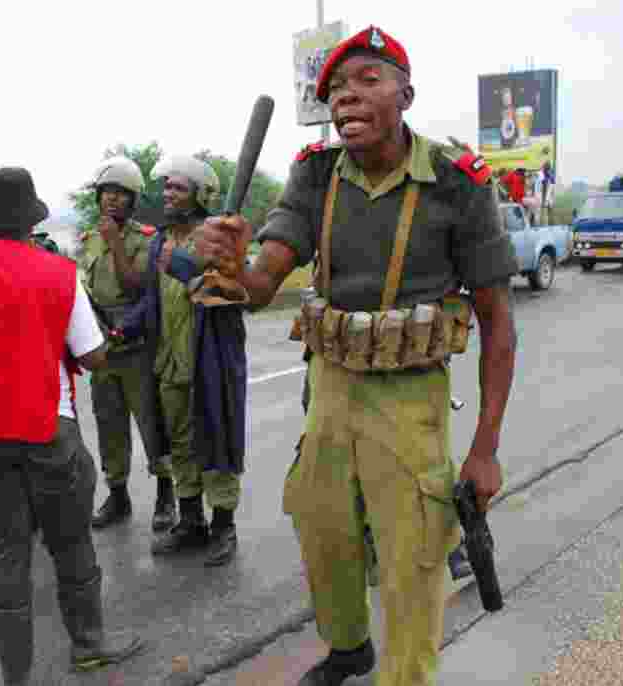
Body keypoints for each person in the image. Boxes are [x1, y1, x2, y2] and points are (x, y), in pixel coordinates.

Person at [196, 25, 518, 685]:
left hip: (410, 399)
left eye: (366, 80)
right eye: (335, 90)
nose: (346, 97)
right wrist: (234, 265)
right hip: (333, 389)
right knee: (320, 525)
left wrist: (484, 448)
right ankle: (348, 648)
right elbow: (259, 287)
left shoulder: (456, 181)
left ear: (405, 92)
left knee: (411, 556)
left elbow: (498, 324)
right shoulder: (315, 175)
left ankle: (406, 676)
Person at [0, 168, 141, 684]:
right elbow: (95, 355)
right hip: (50, 431)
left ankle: (16, 671)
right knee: (72, 545)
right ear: (31, 220)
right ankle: (88, 646)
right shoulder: (58, 274)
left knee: (3, 555)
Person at [116, 155, 246, 567]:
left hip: (210, 360)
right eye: (167, 187)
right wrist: (124, 329)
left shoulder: (220, 237)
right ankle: (191, 522)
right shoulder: (160, 241)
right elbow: (154, 298)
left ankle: (223, 525)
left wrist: (182, 265)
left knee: (217, 440)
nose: (168, 194)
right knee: (180, 443)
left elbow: (231, 291)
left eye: (178, 188)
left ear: (200, 196)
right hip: (169, 361)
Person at [79, 157, 176, 532]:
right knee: (109, 423)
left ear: (133, 199)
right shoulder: (87, 241)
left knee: (151, 422)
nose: (112, 200)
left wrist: (116, 242)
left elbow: (136, 286)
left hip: (136, 345)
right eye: (106, 193)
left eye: (121, 194)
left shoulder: (147, 240)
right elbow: (87, 292)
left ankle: (166, 495)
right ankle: (117, 494)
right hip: (102, 347)